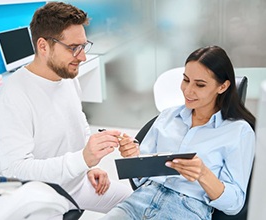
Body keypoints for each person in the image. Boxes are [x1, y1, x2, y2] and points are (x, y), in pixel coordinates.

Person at [0, 2, 133, 214]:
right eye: (73, 48)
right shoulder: (14, 95)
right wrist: (82, 159)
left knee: (138, 205)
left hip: (78, 184)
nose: (83, 56)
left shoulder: (66, 76)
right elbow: (16, 171)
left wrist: (91, 165)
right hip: (43, 197)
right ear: (43, 46)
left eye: (83, 46)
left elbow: (79, 123)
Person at [102, 45, 256, 220]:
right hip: (140, 201)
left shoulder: (239, 132)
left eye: (200, 85)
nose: (188, 90)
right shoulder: (167, 116)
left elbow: (234, 204)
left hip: (186, 210)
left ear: (222, 87)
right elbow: (140, 179)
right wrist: (133, 157)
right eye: (186, 79)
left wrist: (203, 174)